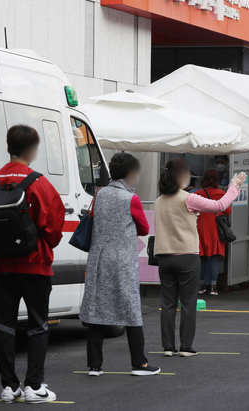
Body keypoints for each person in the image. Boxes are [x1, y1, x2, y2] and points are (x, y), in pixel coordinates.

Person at [0, 125, 65, 404]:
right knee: (38, 324)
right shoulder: (38, 182)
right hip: (34, 264)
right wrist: (43, 244)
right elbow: (53, 225)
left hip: (0, 266)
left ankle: (9, 386)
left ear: (8, 148)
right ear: (33, 150)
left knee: (4, 324)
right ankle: (34, 387)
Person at [79, 153, 161, 377]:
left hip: (98, 259)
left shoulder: (100, 193)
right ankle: (139, 363)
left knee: (97, 309)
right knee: (131, 309)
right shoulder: (131, 199)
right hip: (122, 261)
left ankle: (95, 366)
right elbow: (143, 228)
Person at [154, 158, 245, 357]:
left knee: (168, 304)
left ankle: (168, 347)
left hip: (164, 257)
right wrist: (234, 186)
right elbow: (220, 205)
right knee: (188, 303)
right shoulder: (189, 198)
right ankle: (186, 347)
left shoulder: (158, 201)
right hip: (187, 255)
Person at [196, 169, 232, 296]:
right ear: (217, 180)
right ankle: (213, 287)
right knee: (214, 257)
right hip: (215, 229)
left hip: (200, 228)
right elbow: (228, 211)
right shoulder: (221, 193)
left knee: (202, 257)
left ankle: (200, 286)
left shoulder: (197, 194)